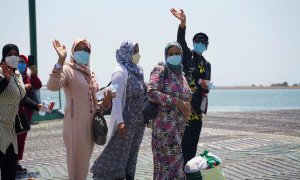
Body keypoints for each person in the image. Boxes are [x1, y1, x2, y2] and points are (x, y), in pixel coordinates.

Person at [47, 39, 114, 180]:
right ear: (73, 51)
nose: (83, 52)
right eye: (79, 49)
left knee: (82, 170)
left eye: (86, 50)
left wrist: (105, 101)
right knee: (76, 170)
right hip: (75, 128)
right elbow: (52, 86)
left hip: (89, 129)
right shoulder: (67, 69)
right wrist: (60, 60)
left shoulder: (89, 74)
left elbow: (94, 105)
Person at [91, 41, 145, 180]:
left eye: (137, 51)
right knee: (118, 153)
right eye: (134, 51)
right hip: (126, 122)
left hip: (138, 124)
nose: (137, 54)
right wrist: (120, 122)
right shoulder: (120, 72)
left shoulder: (137, 71)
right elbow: (116, 98)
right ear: (126, 53)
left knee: (131, 154)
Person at [171, 8, 212, 166]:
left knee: (193, 148)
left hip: (198, 113)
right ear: (194, 43)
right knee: (183, 147)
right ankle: (178, 173)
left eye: (203, 42)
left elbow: (207, 86)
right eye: (197, 41)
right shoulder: (188, 56)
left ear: (206, 45)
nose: (200, 44)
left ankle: (188, 174)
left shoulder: (207, 64)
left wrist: (205, 86)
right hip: (186, 110)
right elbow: (181, 41)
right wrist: (183, 24)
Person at [147, 42, 191, 179]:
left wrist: (187, 107)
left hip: (178, 129)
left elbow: (186, 96)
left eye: (177, 53)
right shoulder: (160, 70)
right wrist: (176, 102)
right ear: (165, 56)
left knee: (173, 167)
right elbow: (151, 92)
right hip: (164, 129)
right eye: (170, 54)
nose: (174, 56)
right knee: (170, 166)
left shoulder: (182, 75)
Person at [0, 44, 42, 180]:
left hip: (11, 129)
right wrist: (5, 80)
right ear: (4, 56)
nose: (13, 57)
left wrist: (38, 106)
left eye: (16, 54)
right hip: (0, 127)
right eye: (10, 54)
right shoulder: (0, 72)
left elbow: (22, 97)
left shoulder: (17, 74)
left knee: (10, 169)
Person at [16, 54, 42, 173]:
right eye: (19, 61)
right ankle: (10, 162)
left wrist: (34, 74)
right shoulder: (13, 76)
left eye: (23, 62)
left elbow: (38, 85)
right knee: (14, 137)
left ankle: (16, 163)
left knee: (22, 138)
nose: (20, 64)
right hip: (15, 113)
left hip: (27, 112)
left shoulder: (29, 77)